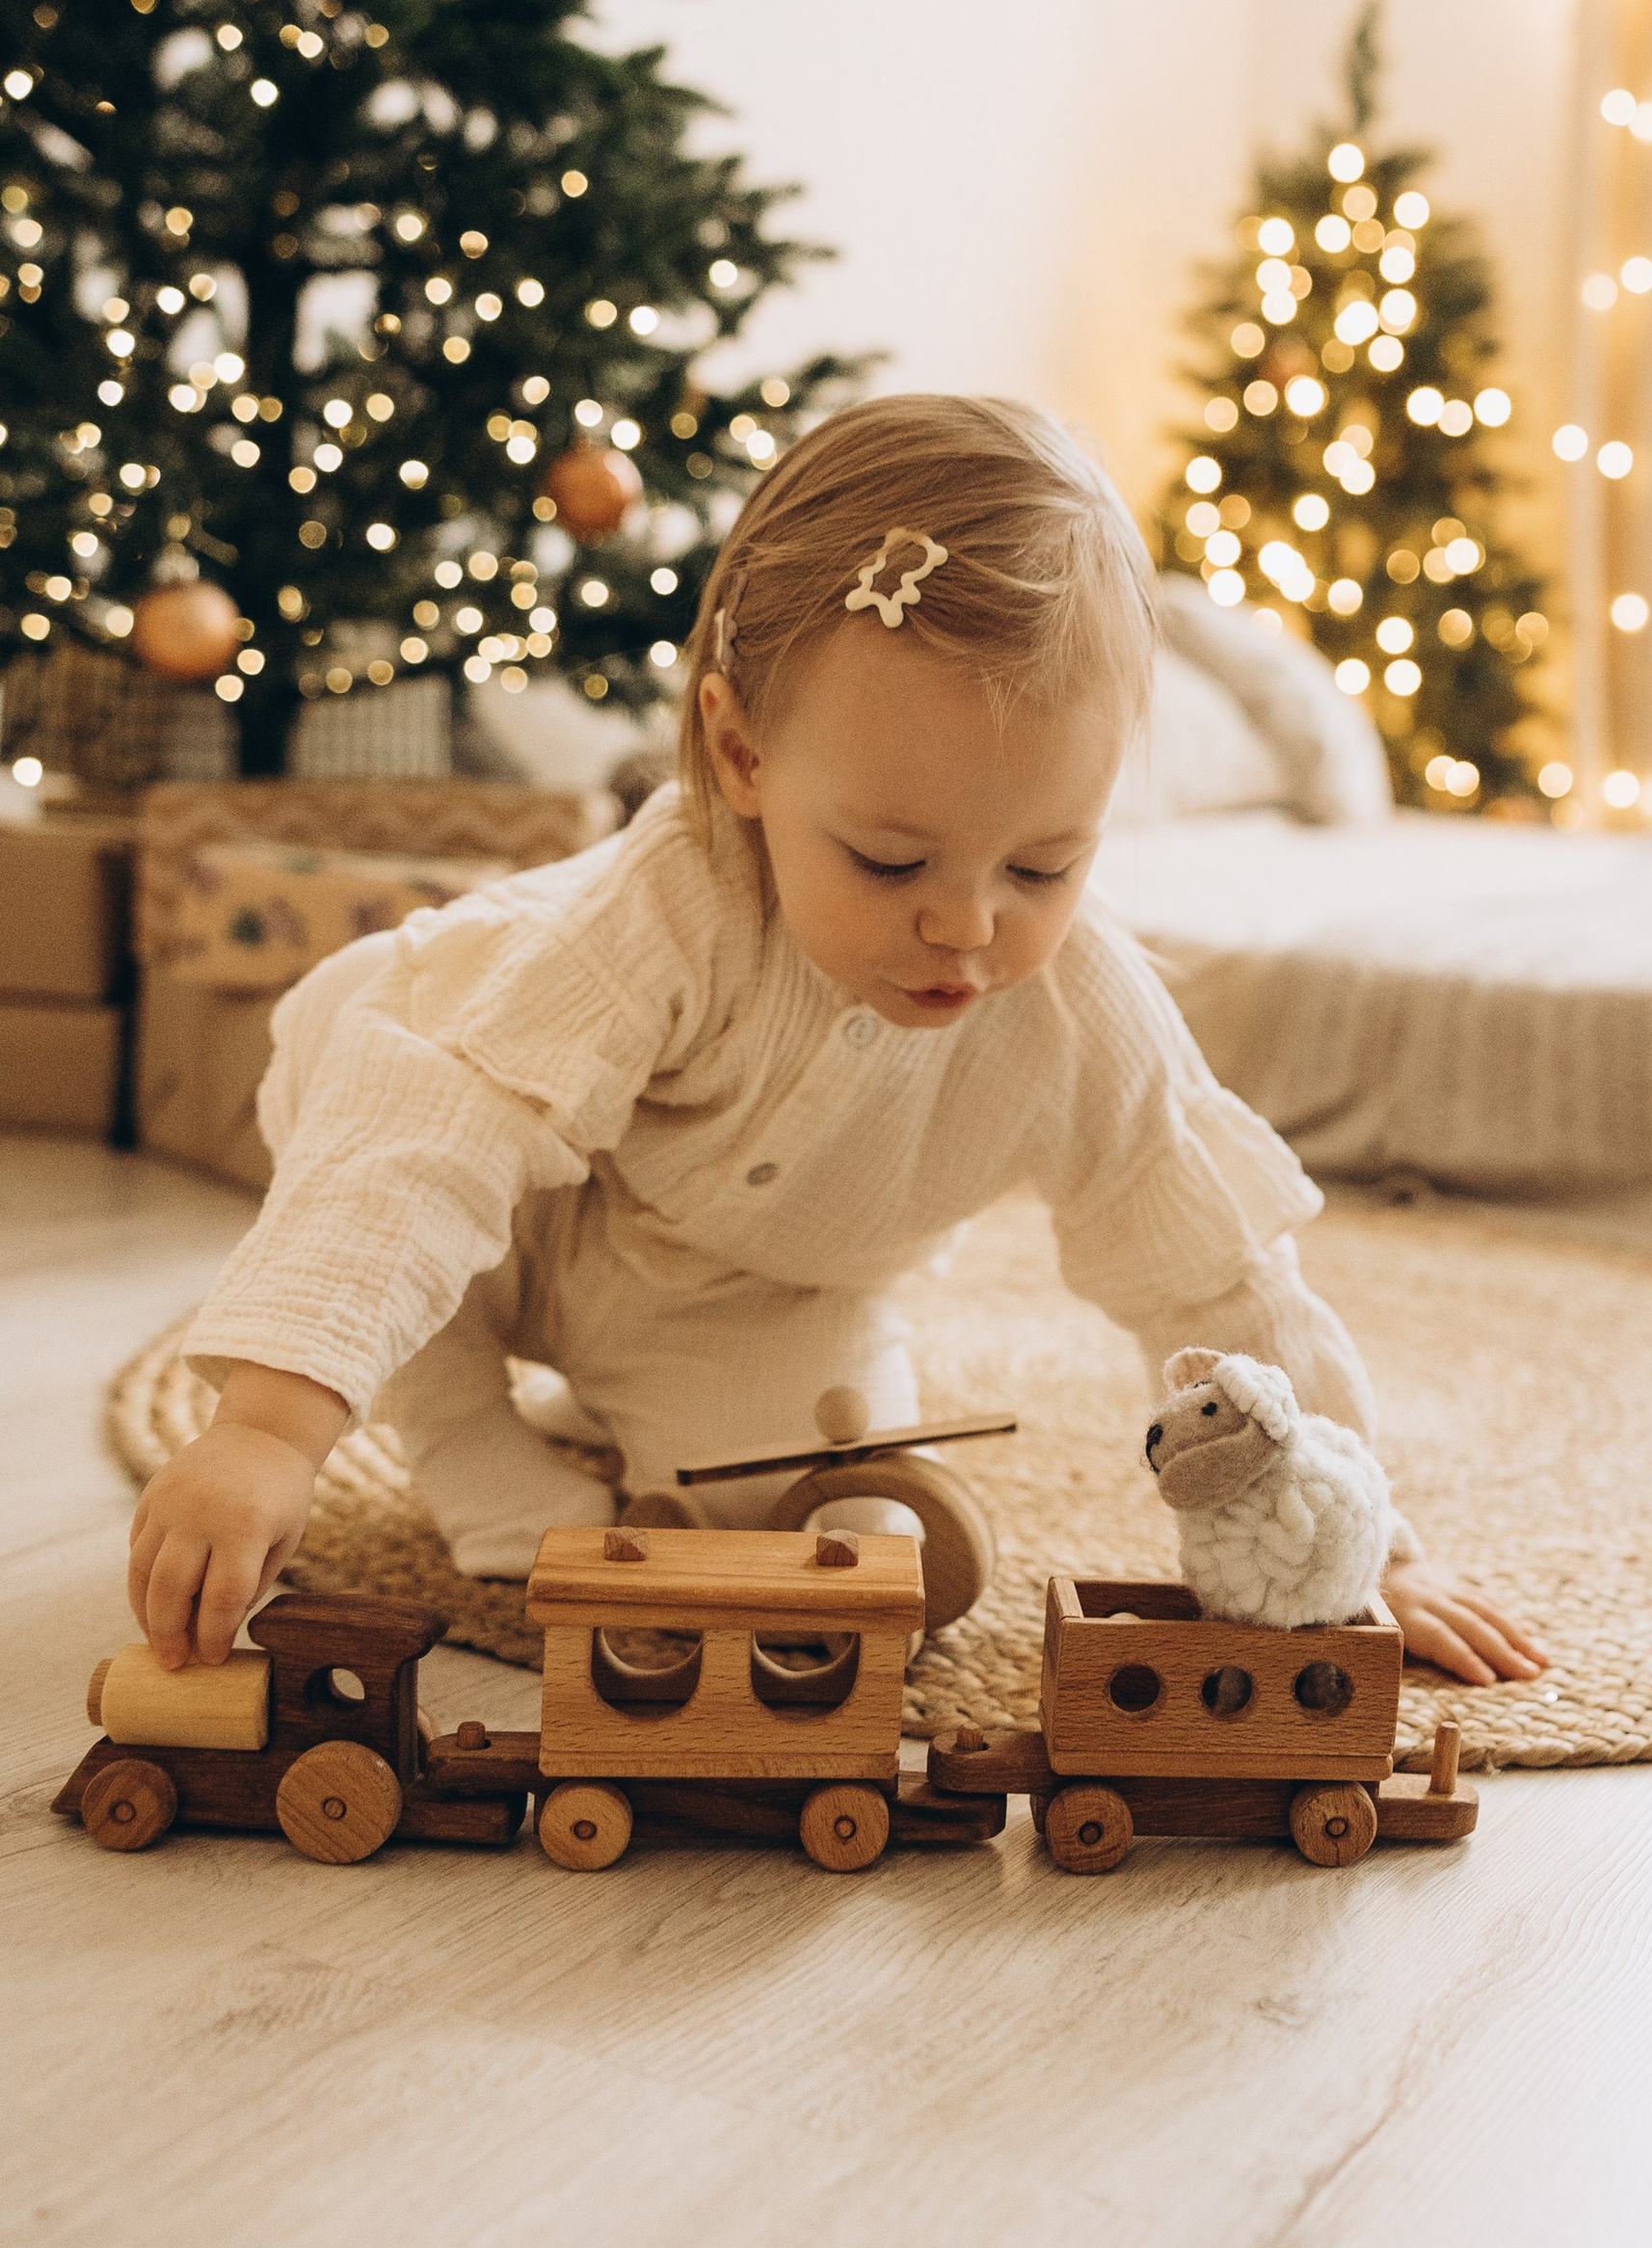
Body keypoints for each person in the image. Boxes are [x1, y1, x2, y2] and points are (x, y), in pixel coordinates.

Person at [128, 392, 1547, 1692]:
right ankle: (476, 1459)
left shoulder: (1079, 1013)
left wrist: (1366, 1545)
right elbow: (434, 1133)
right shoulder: (664, 908)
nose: (969, 930)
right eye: (886, 863)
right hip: (545, 1219)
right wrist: (269, 1431)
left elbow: (1219, 1278)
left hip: (763, 1300)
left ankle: (665, 1454)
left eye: (1043, 869)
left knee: (831, 1534)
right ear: (742, 757)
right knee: (376, 1044)